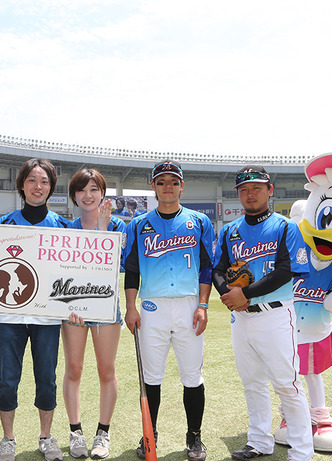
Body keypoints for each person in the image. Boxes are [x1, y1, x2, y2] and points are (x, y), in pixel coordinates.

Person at [212, 165, 314, 461]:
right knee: (252, 382)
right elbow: (218, 270)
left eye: (256, 187)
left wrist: (245, 294)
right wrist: (229, 298)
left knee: (287, 383)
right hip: (241, 318)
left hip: (275, 315)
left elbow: (289, 269)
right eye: (244, 189)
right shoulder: (230, 231)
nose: (249, 193)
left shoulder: (285, 227)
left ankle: (301, 452)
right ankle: (259, 441)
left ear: (270, 190)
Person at [124, 160, 214, 461]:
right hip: (152, 307)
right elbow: (133, 270)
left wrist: (202, 305)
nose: (168, 186)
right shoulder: (138, 224)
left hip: (189, 305)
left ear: (181, 186)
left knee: (192, 376)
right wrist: (130, 306)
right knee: (151, 377)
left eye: (173, 182)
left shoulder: (199, 221)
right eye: (161, 181)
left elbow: (206, 267)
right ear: (153, 186)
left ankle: (194, 437)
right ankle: (150, 435)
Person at [0, 158, 70, 461]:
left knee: (46, 377)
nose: (38, 186)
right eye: (32, 180)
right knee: (8, 378)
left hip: (47, 317)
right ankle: (8, 438)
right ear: (22, 184)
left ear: (51, 187)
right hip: (10, 316)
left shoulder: (63, 226)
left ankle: (46, 436)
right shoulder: (2, 224)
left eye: (44, 181)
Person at [62, 168, 125, 459]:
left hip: (106, 308)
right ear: (74, 195)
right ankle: (76, 432)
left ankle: (103, 433)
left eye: (94, 190)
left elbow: (109, 267)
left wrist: (102, 227)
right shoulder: (66, 228)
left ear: (103, 193)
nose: (88, 196)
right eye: (81, 190)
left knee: (106, 370)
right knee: (74, 368)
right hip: (72, 308)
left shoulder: (119, 227)